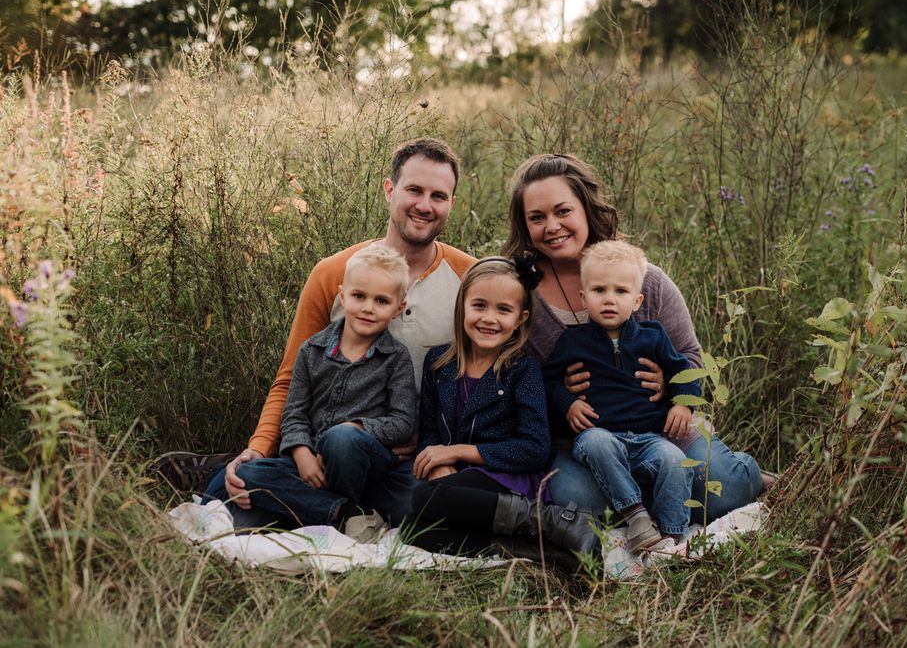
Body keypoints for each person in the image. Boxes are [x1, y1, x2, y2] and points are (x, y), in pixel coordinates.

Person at [158, 137, 476, 529]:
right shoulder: (334, 273)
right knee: (236, 497)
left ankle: (314, 505)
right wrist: (258, 447)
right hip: (323, 451)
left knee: (440, 514)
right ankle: (318, 501)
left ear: (452, 204)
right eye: (414, 190)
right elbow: (291, 378)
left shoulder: (469, 279)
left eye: (438, 196)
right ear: (390, 190)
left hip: (406, 458)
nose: (425, 205)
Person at [502, 153, 764, 524]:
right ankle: (650, 496)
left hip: (659, 428)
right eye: (537, 218)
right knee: (578, 501)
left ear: (586, 208)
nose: (552, 226)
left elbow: (689, 355)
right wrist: (561, 395)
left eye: (563, 211)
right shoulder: (520, 293)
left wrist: (676, 393)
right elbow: (516, 381)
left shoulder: (645, 280)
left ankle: (745, 471)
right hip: (582, 442)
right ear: (524, 224)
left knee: (727, 495)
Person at [404, 257, 599, 567]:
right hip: (460, 480)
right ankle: (549, 552)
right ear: (462, 306)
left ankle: (552, 522)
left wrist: (455, 452)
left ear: (521, 318)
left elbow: (535, 448)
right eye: (479, 305)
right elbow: (429, 430)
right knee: (413, 530)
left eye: (503, 310)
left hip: (509, 481)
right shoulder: (438, 363)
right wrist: (437, 464)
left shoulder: (522, 370)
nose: (489, 319)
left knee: (421, 500)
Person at [233, 246, 417, 527]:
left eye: (381, 301)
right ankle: (345, 514)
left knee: (341, 439)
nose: (368, 308)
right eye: (359, 296)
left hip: (366, 464)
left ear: (398, 309)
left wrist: (357, 428)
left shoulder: (396, 358)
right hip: (313, 466)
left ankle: (314, 508)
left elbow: (403, 422)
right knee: (249, 474)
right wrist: (301, 453)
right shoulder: (312, 350)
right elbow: (293, 412)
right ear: (342, 296)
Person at [545, 240, 698, 553]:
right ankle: (636, 516)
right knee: (596, 441)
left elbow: (684, 371)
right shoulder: (572, 342)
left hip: (649, 437)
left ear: (638, 300)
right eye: (599, 290)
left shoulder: (653, 335)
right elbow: (547, 383)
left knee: (677, 461)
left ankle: (670, 539)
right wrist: (568, 402)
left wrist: (683, 402)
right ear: (583, 297)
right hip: (599, 435)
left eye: (620, 291)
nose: (609, 300)